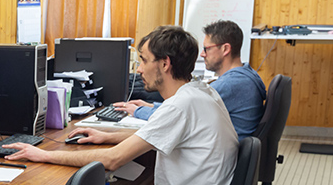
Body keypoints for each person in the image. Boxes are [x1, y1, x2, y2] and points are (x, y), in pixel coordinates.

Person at [4, 26, 238, 185]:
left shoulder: (181, 106)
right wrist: (106, 136)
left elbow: (112, 160)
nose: (139, 69)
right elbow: (158, 134)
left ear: (165, 64)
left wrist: (43, 155)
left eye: (144, 61)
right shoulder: (201, 93)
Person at [113, 20, 266, 140]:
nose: (202, 55)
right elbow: (182, 110)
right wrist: (152, 105)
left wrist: (139, 110)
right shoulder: (247, 75)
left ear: (225, 49)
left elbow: (178, 113)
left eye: (207, 49)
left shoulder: (231, 85)